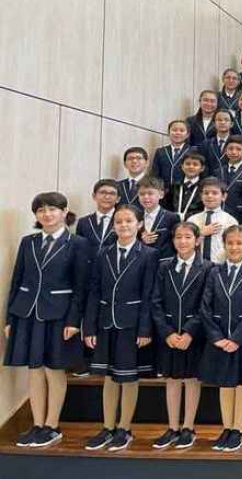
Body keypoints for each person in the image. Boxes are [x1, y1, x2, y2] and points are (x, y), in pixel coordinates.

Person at [5, 192, 91, 448]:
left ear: (64, 212)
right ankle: (37, 424)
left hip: (60, 315)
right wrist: (10, 318)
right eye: (41, 210)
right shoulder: (28, 242)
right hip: (27, 313)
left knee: (54, 370)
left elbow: (81, 287)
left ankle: (52, 426)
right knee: (34, 371)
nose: (47, 214)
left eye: (52, 209)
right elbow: (17, 281)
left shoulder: (78, 243)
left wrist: (74, 321)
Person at [83, 205, 157, 452]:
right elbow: (94, 291)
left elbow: (149, 294)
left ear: (139, 224)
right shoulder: (103, 253)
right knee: (109, 377)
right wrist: (89, 327)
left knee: (128, 377)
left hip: (132, 325)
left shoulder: (149, 255)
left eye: (129, 221)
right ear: (113, 225)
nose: (123, 225)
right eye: (118, 221)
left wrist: (145, 329)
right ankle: (107, 427)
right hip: (106, 322)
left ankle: (124, 428)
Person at [199, 224, 242, 452]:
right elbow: (205, 306)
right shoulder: (214, 272)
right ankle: (226, 427)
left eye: (239, 243)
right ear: (224, 245)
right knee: (224, 383)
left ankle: (238, 429)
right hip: (219, 338)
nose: (234, 247)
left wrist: (236, 338)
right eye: (230, 243)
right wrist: (216, 337)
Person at [150, 222, 212, 450]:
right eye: (178, 237)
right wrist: (166, 332)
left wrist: (189, 332)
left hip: (193, 335)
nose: (182, 241)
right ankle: (173, 427)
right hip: (169, 334)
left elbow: (206, 304)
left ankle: (188, 427)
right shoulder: (164, 266)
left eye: (187, 237)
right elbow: (155, 302)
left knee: (192, 379)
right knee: (172, 379)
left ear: (197, 240)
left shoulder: (208, 268)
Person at [187, 177, 238, 263]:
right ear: (201, 196)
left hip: (220, 265)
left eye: (215, 193)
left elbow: (234, 247)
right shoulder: (192, 220)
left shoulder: (230, 221)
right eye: (206, 193)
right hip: (196, 265)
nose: (210, 196)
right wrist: (201, 233)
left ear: (224, 196)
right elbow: (185, 245)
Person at [137, 176, 180, 261]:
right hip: (141, 261)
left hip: (164, 261)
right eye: (142, 194)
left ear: (161, 195)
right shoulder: (136, 216)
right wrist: (141, 241)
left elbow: (176, 241)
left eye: (150, 193)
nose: (146, 197)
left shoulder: (172, 217)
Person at [76, 179, 119, 255]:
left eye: (112, 193)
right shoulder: (84, 222)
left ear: (118, 199)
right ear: (94, 196)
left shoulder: (123, 221)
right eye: (102, 192)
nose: (107, 197)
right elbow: (78, 248)